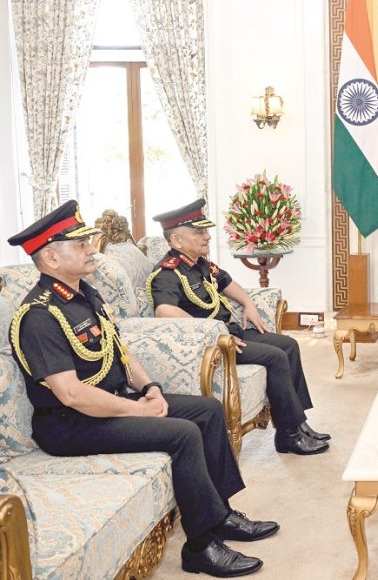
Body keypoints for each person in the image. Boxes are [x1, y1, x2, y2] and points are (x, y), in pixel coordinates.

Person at [7, 201, 278, 578]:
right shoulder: (40, 315)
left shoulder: (85, 295)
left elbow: (120, 350)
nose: (91, 249)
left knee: (208, 410)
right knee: (183, 434)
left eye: (88, 242)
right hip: (70, 424)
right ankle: (200, 547)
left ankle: (221, 515)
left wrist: (151, 387)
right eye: (80, 245)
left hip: (112, 402)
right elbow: (71, 394)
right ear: (51, 257)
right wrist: (138, 409)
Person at [146, 200, 329, 456]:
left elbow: (227, 283)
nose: (207, 236)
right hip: (213, 346)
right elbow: (164, 311)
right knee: (275, 357)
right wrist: (211, 332)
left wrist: (249, 303)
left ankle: (298, 424)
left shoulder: (199, 263)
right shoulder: (167, 273)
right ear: (176, 240)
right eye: (199, 232)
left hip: (231, 332)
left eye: (205, 231)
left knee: (288, 344)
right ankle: (288, 435)